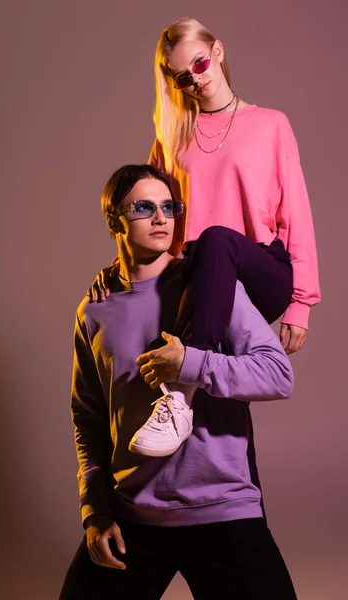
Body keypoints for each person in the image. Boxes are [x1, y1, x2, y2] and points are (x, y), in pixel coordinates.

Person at [58, 164, 298, 600]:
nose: (161, 218)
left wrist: (191, 364)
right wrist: (94, 509)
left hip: (223, 510)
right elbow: (88, 418)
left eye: (170, 207)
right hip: (134, 516)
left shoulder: (211, 286)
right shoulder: (94, 310)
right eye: (144, 207)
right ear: (114, 219)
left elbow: (278, 374)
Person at [87, 16, 320, 457]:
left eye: (199, 64)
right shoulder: (172, 136)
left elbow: (297, 214)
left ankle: (179, 397)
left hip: (259, 270)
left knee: (216, 238)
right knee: (222, 415)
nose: (195, 80)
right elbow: (150, 206)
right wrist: (121, 265)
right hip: (197, 278)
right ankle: (233, 507)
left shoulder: (271, 124)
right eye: (182, 77)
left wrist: (301, 303)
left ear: (217, 52)